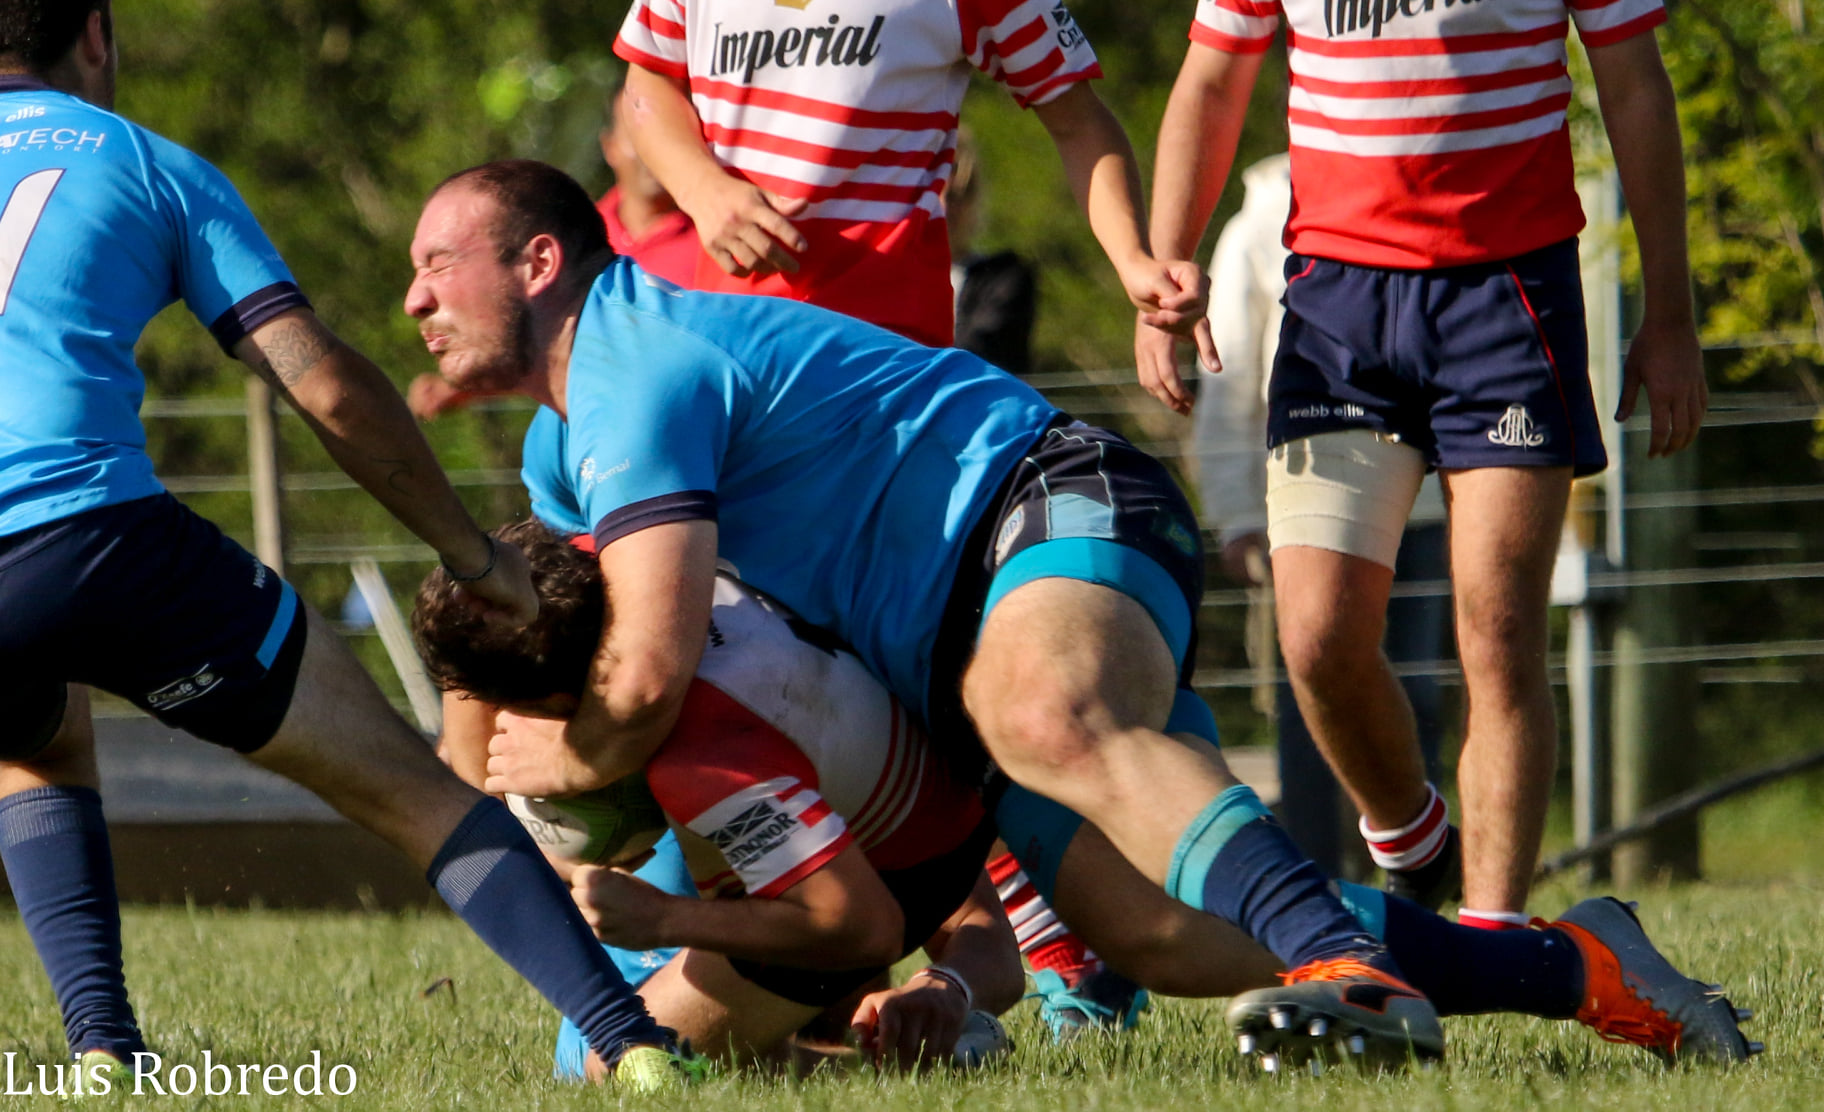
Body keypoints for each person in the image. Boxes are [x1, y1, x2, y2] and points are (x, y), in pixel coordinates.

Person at [0, 5, 688, 1089]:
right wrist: (472, 554)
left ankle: (102, 1054)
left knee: (36, 740)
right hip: (91, 538)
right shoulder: (146, 162)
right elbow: (321, 382)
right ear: (94, 34)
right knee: (412, 789)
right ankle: (635, 1041)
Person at [414, 522, 1759, 1072]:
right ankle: (1567, 960)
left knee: (606, 1048)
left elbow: (843, 910)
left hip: (931, 812)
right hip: (935, 748)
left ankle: (1567, 961)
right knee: (1170, 939)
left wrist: (671, 916)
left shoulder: (705, 746)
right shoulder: (619, 548)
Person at [1141, 0, 1708, 926]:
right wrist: (1167, 263)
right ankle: (1412, 838)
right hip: (1337, 304)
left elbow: (1636, 84)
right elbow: (1211, 80)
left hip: (1508, 291)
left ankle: (1494, 937)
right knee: (1317, 639)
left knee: (1499, 632)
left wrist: (1671, 314)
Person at [415, 521, 1026, 1075]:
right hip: (894, 756)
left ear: (557, 705)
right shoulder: (617, 563)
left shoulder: (707, 764)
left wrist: (661, 918)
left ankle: (870, 1065)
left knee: (603, 1057)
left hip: (895, 866)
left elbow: (866, 926)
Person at [611, 0, 1214, 362]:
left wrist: (1134, 258)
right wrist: (701, 188)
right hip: (727, 345)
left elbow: (1079, 120)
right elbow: (648, 81)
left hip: (889, 354)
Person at [1194, 153, 1452, 885]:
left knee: (1419, 696)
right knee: (1312, 699)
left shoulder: (1424, 180)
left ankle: (1416, 888)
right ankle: (1314, 891)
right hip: (1305, 507)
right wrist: (1238, 512)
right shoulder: (1257, 223)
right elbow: (1232, 374)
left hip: (1428, 510)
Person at [408, 84, 702, 420]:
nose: (656, 149)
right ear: (610, 147)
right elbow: (548, 341)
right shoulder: (573, 235)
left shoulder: (724, 238)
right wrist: (465, 386)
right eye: (641, 134)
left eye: (669, 132)